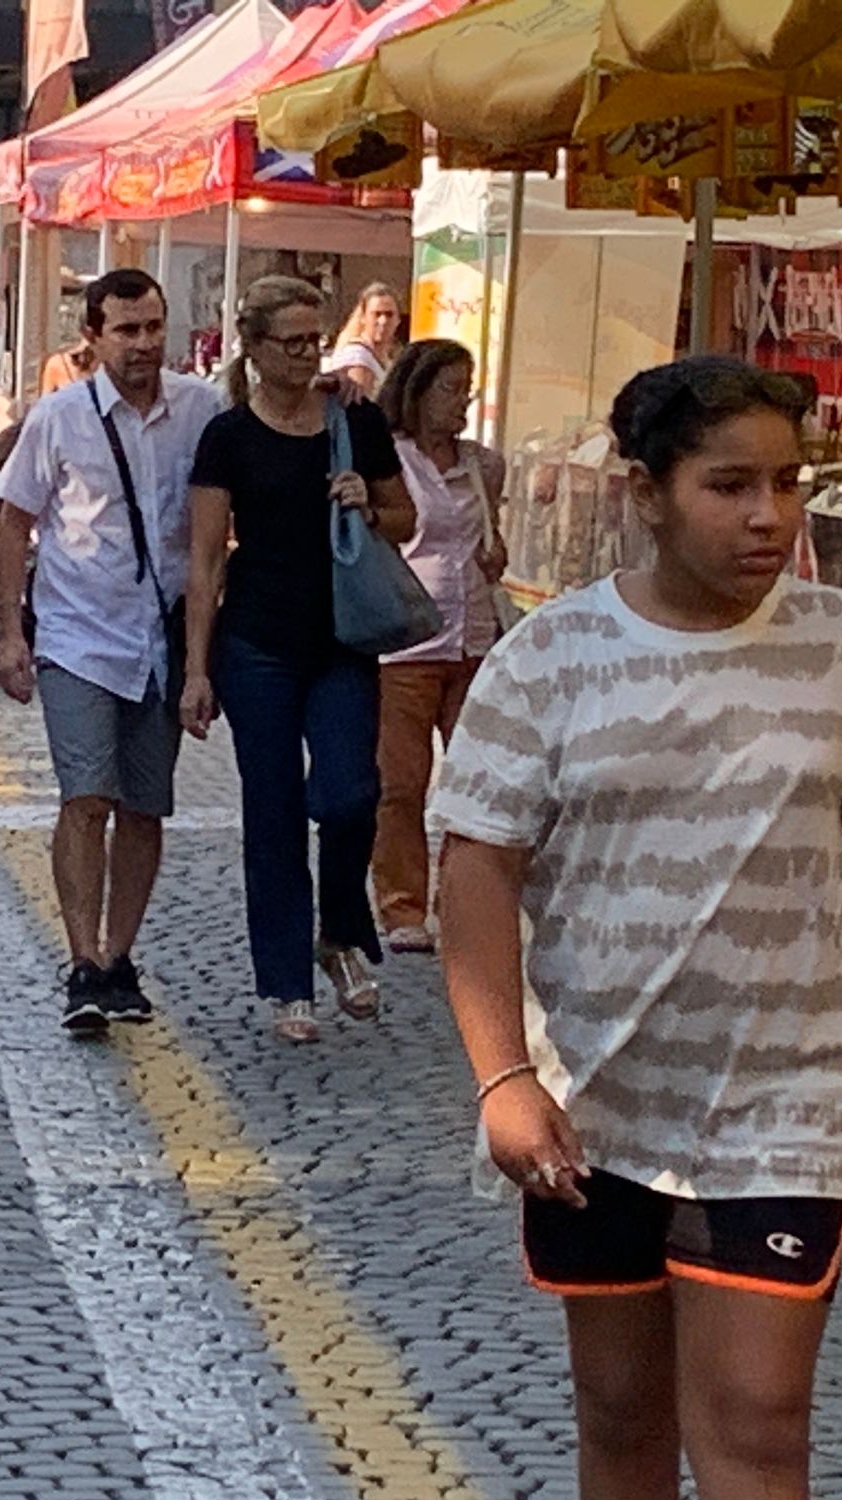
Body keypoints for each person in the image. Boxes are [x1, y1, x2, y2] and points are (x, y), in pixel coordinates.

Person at [431, 356, 842, 1500]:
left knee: (756, 1419)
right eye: (728, 486)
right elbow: (476, 869)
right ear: (645, 492)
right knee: (621, 1412)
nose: (768, 516)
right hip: (595, 1103)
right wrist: (502, 1077)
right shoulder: (548, 658)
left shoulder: (841, 644)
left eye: (787, 484)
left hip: (786, 1103)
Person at [183, 275, 416, 1043]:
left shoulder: (355, 419)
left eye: (315, 339)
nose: (307, 354)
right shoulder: (228, 437)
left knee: (352, 794)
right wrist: (196, 670)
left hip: (342, 639)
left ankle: (339, 931)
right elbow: (204, 560)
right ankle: (287, 982)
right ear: (252, 347)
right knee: (274, 809)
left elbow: (406, 519)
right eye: (290, 342)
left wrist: (368, 504)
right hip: (256, 644)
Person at [0, 269, 224, 1037]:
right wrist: (12, 633)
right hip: (79, 634)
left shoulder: (200, 408)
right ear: (92, 337)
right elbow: (16, 522)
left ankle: (121, 957)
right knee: (87, 797)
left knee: (145, 805)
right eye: (126, 330)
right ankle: (83, 960)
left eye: (153, 327)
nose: (143, 344)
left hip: (162, 636)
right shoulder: (59, 416)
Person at [370, 340, 505, 953]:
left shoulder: (483, 466)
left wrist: (496, 554)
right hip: (406, 641)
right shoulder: (391, 459)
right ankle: (401, 904)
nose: (462, 402)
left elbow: (488, 543)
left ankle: (464, 896)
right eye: (451, 389)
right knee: (401, 783)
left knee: (476, 780)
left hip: (472, 636)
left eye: (466, 388)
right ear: (418, 392)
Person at [326, 282, 402, 393]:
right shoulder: (357, 357)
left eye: (389, 314)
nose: (383, 321)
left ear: (398, 320)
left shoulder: (386, 359)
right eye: (377, 314)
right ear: (363, 318)